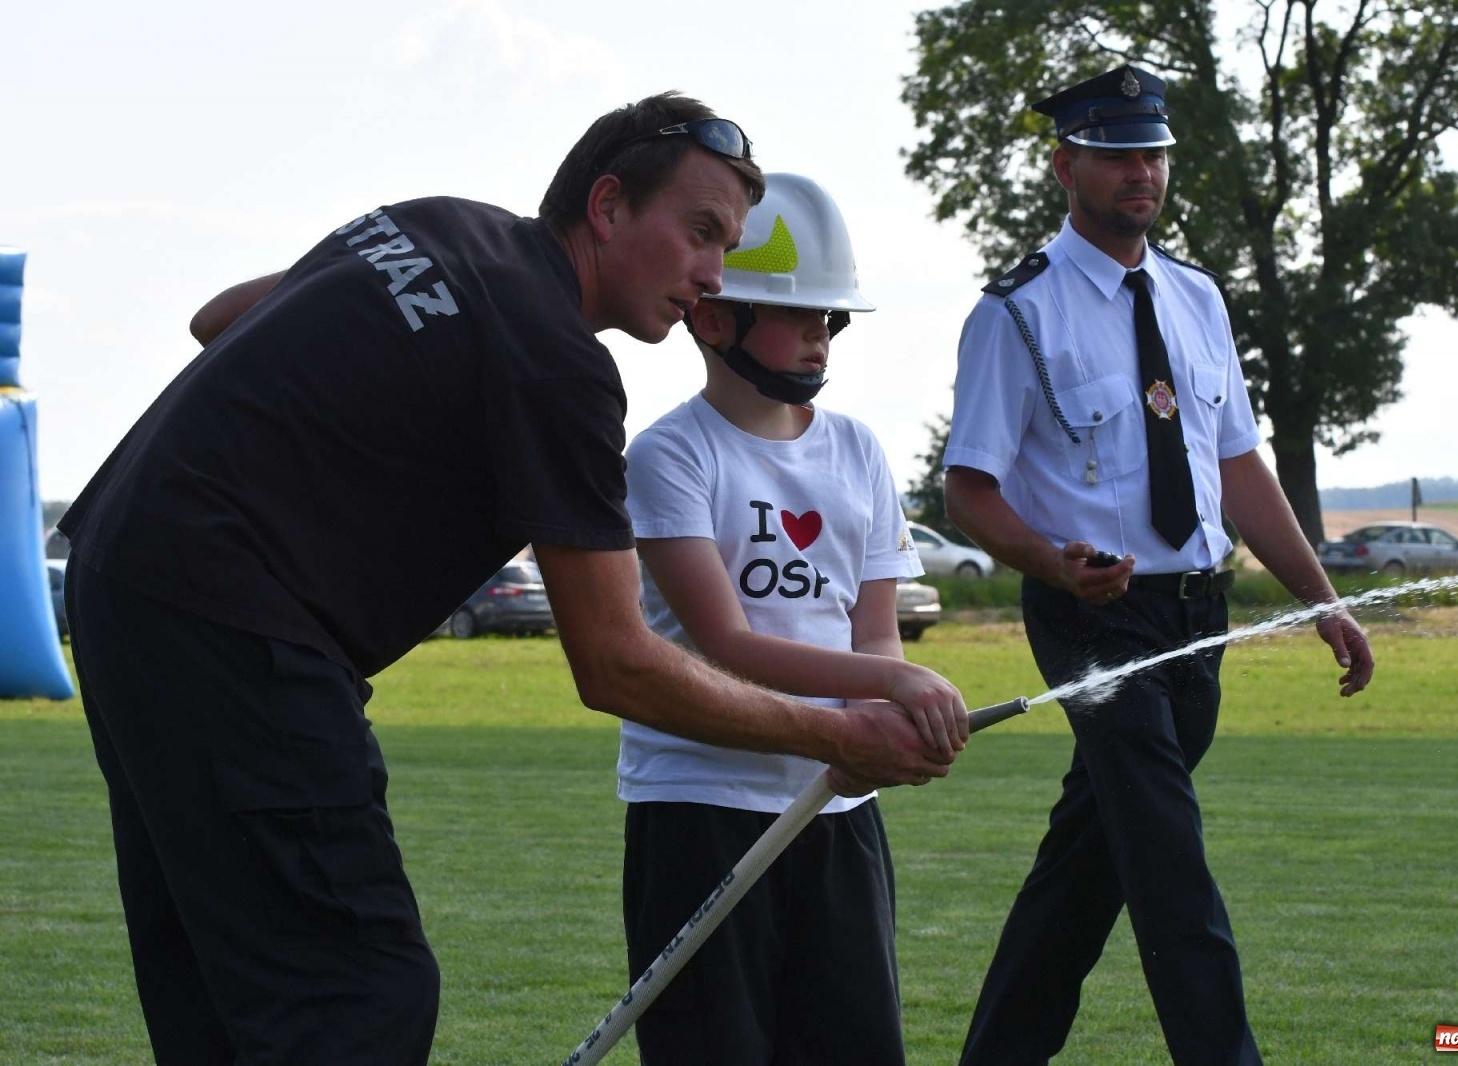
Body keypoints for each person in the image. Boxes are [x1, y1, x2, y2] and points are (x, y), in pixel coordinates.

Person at [57, 94, 957, 1066]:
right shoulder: (559, 367)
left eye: (726, 246)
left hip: (117, 576)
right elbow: (615, 665)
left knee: (222, 993)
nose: (711, 273)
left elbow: (220, 318)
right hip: (236, 625)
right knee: (357, 993)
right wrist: (837, 735)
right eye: (699, 232)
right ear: (607, 206)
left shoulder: (441, 224)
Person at [942, 66, 1376, 1065]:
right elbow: (967, 491)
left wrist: (1322, 602)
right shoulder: (1016, 313)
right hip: (1092, 619)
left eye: (1152, 153)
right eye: (1115, 155)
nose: (1140, 171)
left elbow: (1238, 468)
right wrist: (1051, 562)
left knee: (1083, 872)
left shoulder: (1197, 298)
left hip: (1196, 620)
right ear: (1065, 167)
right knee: (1171, 870)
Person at [618, 172, 967, 1065]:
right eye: (800, 314)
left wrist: (876, 718)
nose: (822, 333)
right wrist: (894, 685)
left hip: (838, 807)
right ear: (713, 320)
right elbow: (726, 643)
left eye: (833, 318)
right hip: (702, 807)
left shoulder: (858, 449)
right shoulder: (669, 455)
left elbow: (873, 626)